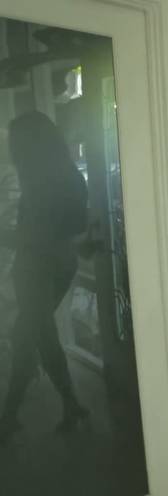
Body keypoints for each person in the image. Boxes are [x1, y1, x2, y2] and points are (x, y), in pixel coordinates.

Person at [0, 111, 89, 443]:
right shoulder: (68, 176)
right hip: (61, 264)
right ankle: (17, 414)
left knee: (36, 335)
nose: (11, 149)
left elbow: (31, 238)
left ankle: (24, 414)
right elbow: (76, 227)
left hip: (36, 267)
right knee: (29, 334)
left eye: (15, 143)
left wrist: (6, 235)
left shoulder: (38, 183)